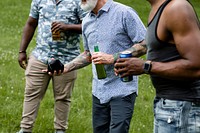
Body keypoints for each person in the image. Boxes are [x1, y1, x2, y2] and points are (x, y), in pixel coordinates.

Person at [55, 0, 146, 132]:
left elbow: (144, 44)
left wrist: (113, 58)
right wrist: (66, 67)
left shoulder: (124, 13)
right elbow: (88, 54)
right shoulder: (86, 20)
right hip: (99, 91)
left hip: (122, 88)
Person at [114, 0, 200, 132]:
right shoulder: (157, 8)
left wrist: (145, 66)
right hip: (168, 105)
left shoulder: (177, 8)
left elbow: (196, 66)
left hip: (182, 107)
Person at [17, 0, 86, 132]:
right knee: (31, 93)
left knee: (63, 97)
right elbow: (31, 23)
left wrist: (67, 27)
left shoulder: (79, 2)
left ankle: (60, 130)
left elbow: (89, 25)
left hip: (67, 59)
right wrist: (22, 51)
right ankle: (25, 129)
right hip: (40, 56)